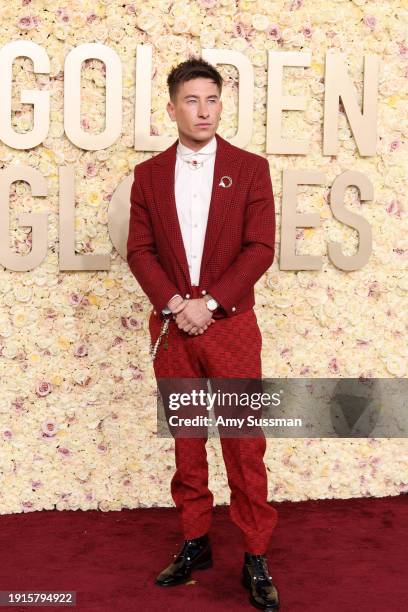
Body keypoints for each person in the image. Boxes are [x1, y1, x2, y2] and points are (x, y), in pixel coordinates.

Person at [127, 57, 280, 610]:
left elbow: (260, 247)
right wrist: (174, 304)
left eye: (211, 99)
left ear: (221, 104)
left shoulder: (251, 168)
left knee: (244, 443)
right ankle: (196, 541)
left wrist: (209, 303)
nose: (203, 110)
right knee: (187, 442)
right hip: (174, 329)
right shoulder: (147, 176)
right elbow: (139, 250)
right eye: (191, 101)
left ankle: (256, 554)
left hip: (231, 326)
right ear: (172, 108)